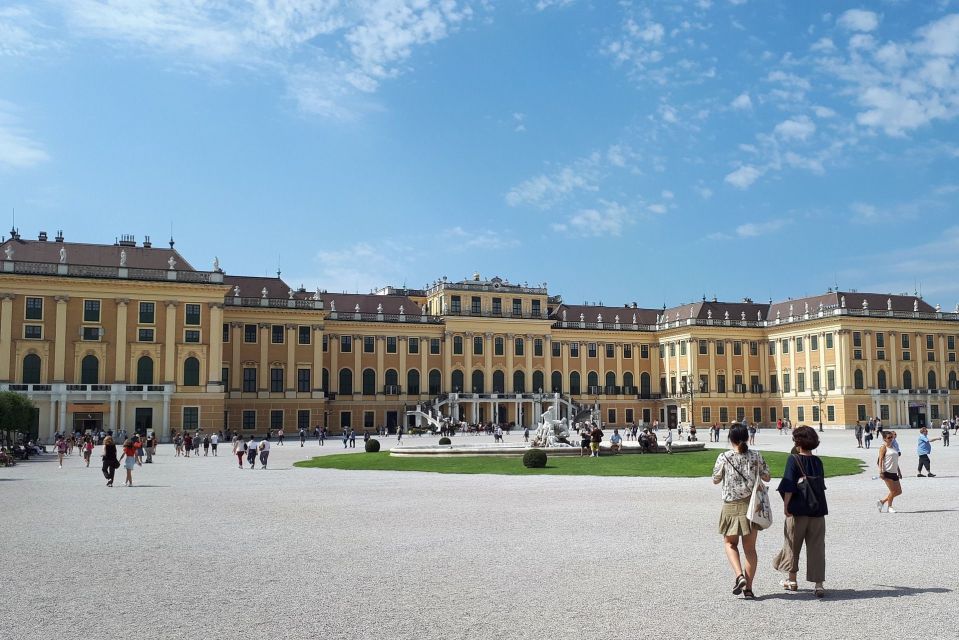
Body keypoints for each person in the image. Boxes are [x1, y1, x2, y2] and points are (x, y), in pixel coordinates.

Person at [712, 424, 771, 600]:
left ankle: (739, 576)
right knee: (750, 550)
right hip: (752, 506)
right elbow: (767, 476)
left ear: (730, 438)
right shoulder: (756, 456)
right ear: (746, 437)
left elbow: (715, 480)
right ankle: (749, 589)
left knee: (730, 544)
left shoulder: (724, 457)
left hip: (731, 505)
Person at [775, 426, 828, 597]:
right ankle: (819, 584)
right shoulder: (818, 461)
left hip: (798, 510)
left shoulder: (793, 459)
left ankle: (792, 580)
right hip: (818, 510)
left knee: (792, 545)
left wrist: (786, 505)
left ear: (798, 442)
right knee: (817, 548)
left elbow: (789, 485)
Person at [877, 432, 902, 513]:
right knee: (893, 491)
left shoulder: (894, 447)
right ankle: (889, 507)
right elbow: (880, 459)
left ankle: (882, 502)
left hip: (894, 472)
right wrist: (880, 471)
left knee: (899, 491)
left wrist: (899, 471)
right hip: (887, 472)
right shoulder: (883, 447)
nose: (891, 439)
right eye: (889, 438)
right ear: (884, 439)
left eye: (892, 437)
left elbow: (895, 461)